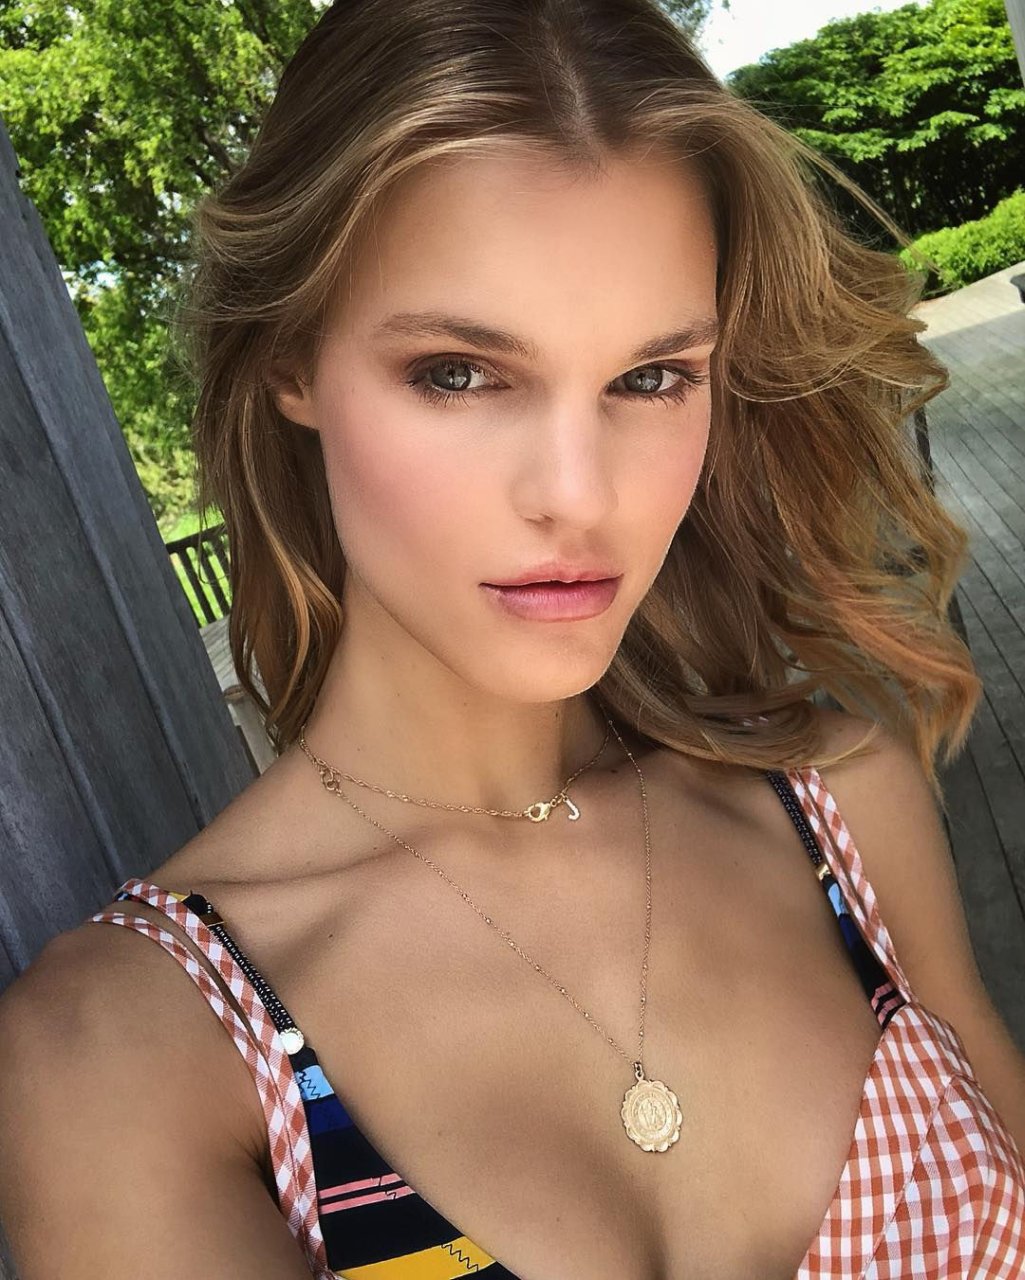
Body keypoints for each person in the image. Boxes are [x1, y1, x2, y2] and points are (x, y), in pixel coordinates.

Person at [1, 0, 1023, 1276]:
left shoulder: (842, 807)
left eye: (650, 377)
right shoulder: (128, 1056)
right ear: (290, 359)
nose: (577, 495)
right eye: (458, 372)